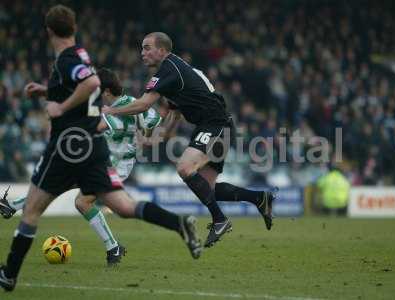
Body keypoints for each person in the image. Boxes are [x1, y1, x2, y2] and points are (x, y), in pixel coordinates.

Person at [0, 7, 201, 292]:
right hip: (99, 155)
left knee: (38, 208)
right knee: (120, 206)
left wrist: (60, 105)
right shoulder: (81, 55)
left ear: (48, 32)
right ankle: (177, 223)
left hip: (74, 147)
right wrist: (47, 93)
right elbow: (141, 119)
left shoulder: (69, 60)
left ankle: (9, 270)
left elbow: (92, 88)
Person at [103, 32, 277, 248]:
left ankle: (220, 220)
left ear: (162, 50)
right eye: (142, 48)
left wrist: (112, 110)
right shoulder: (174, 72)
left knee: (185, 168)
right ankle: (259, 198)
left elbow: (143, 104)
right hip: (214, 125)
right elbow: (175, 113)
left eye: (147, 48)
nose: (142, 53)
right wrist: (158, 138)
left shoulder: (169, 68)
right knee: (208, 189)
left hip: (216, 125)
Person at [0, 68, 164, 266]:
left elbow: (102, 125)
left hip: (113, 166)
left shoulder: (114, 110)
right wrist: (144, 134)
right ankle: (113, 248)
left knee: (77, 197)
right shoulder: (135, 103)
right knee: (73, 195)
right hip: (107, 162)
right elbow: (154, 119)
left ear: (105, 92)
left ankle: (12, 206)